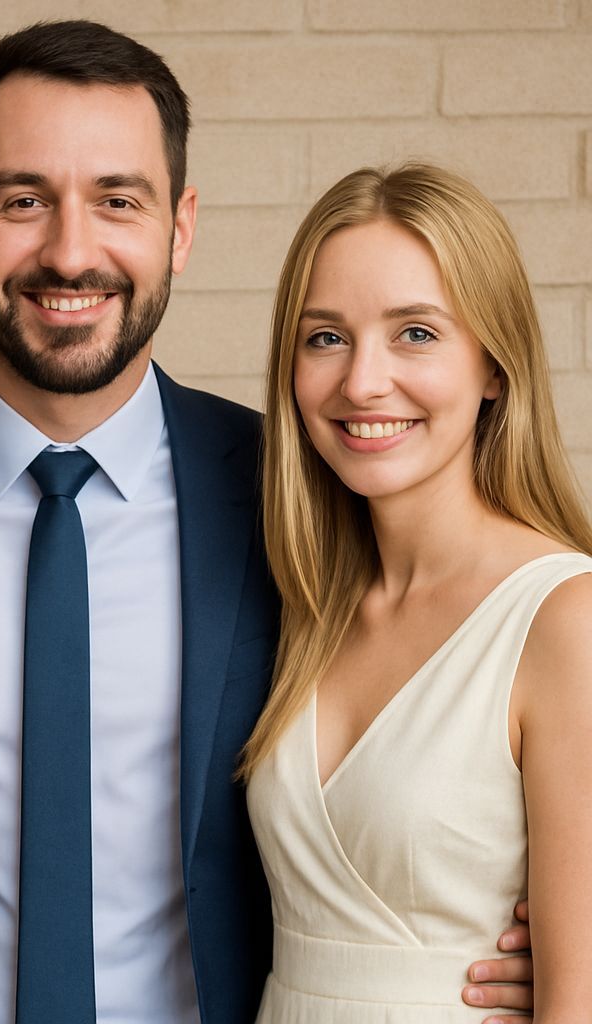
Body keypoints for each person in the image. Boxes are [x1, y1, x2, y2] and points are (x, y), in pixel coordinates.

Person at [0, 21, 534, 1024]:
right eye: (23, 200)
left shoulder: (305, 490)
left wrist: (498, 951)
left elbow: (451, 721)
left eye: (117, 200)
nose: (71, 250)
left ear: (180, 225)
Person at [242, 162, 592, 1021]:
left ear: (495, 368)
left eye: (416, 334)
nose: (362, 382)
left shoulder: (563, 620)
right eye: (326, 337)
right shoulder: (305, 606)